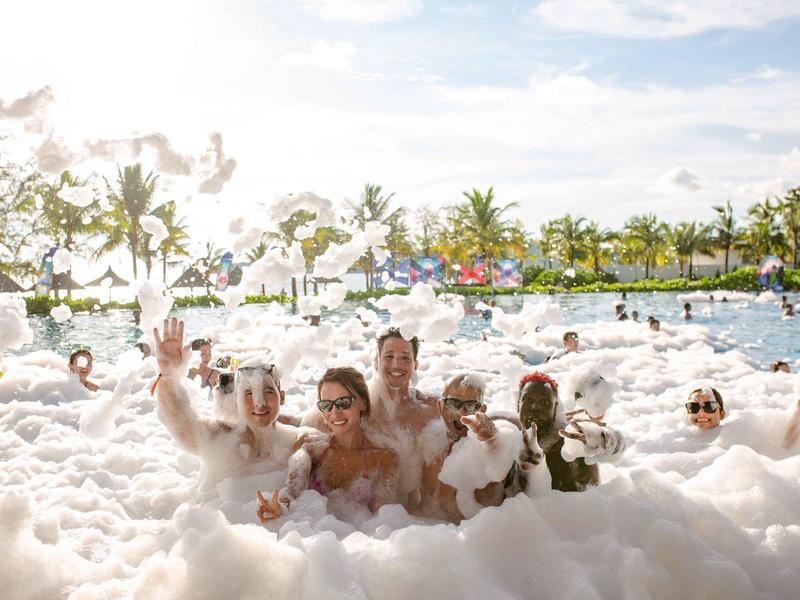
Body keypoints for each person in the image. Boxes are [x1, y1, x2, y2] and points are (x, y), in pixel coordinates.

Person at [153, 318, 305, 478]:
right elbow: (183, 428)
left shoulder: (298, 440)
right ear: (237, 399)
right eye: (249, 393)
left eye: (267, 392)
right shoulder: (223, 437)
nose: (259, 403)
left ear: (281, 397)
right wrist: (168, 376)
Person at [256, 367, 399, 521]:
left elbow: (383, 522)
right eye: (326, 405)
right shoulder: (309, 448)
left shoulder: (384, 459)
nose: (335, 412)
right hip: (311, 534)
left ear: (363, 403)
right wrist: (279, 508)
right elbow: (290, 492)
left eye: (343, 402)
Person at [414, 372, 542, 523]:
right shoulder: (426, 445)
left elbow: (510, 430)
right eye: (453, 403)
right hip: (430, 535)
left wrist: (493, 441)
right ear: (441, 407)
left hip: (486, 536)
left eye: (470, 406)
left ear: (482, 410)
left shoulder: (500, 437)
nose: (461, 412)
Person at [517, 372, 625, 492]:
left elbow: (618, 446)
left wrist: (603, 439)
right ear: (518, 405)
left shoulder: (573, 437)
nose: (535, 407)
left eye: (544, 402)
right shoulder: (507, 436)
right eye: (528, 399)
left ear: (555, 408)